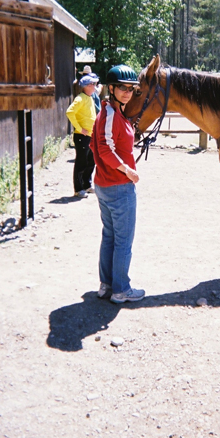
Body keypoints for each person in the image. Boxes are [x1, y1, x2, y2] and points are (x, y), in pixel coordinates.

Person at [91, 64, 145, 304]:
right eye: (122, 87)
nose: (127, 92)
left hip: (104, 185)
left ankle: (107, 285)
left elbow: (96, 146)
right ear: (111, 88)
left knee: (110, 236)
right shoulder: (111, 114)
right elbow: (103, 149)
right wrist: (128, 170)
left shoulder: (110, 112)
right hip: (119, 186)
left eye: (131, 88)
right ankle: (121, 290)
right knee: (123, 240)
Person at [66, 73, 99, 198]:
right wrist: (79, 128)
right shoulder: (80, 98)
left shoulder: (90, 97)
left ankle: (87, 184)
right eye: (93, 84)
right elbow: (69, 112)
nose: (95, 86)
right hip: (82, 136)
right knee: (81, 161)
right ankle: (78, 188)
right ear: (87, 86)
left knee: (91, 161)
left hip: (90, 136)